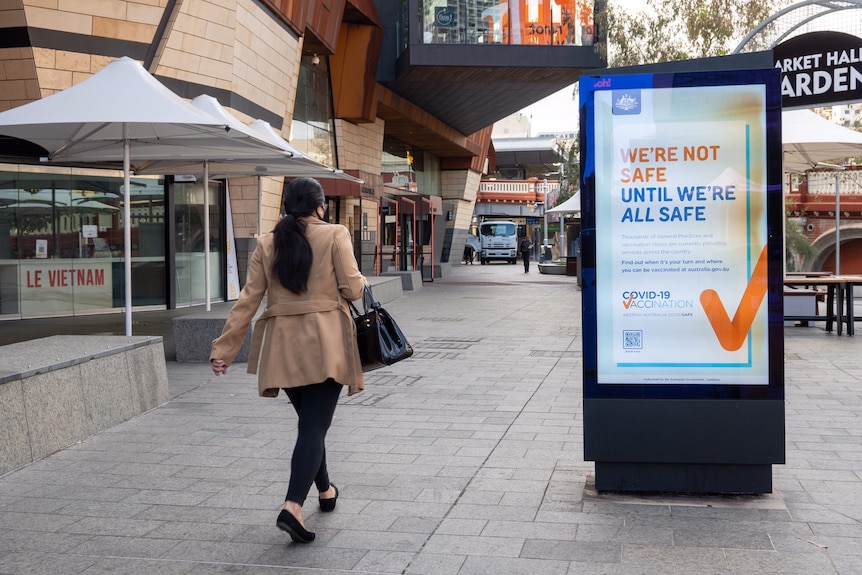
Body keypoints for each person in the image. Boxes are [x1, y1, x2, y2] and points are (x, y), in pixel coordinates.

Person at [210, 177, 366, 544]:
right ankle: (292, 507)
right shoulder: (334, 234)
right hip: (326, 343)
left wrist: (223, 350)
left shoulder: (267, 243)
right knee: (313, 427)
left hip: (282, 348)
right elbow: (354, 288)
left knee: (312, 424)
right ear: (317, 205)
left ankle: (325, 491)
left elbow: (248, 300)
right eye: (323, 203)